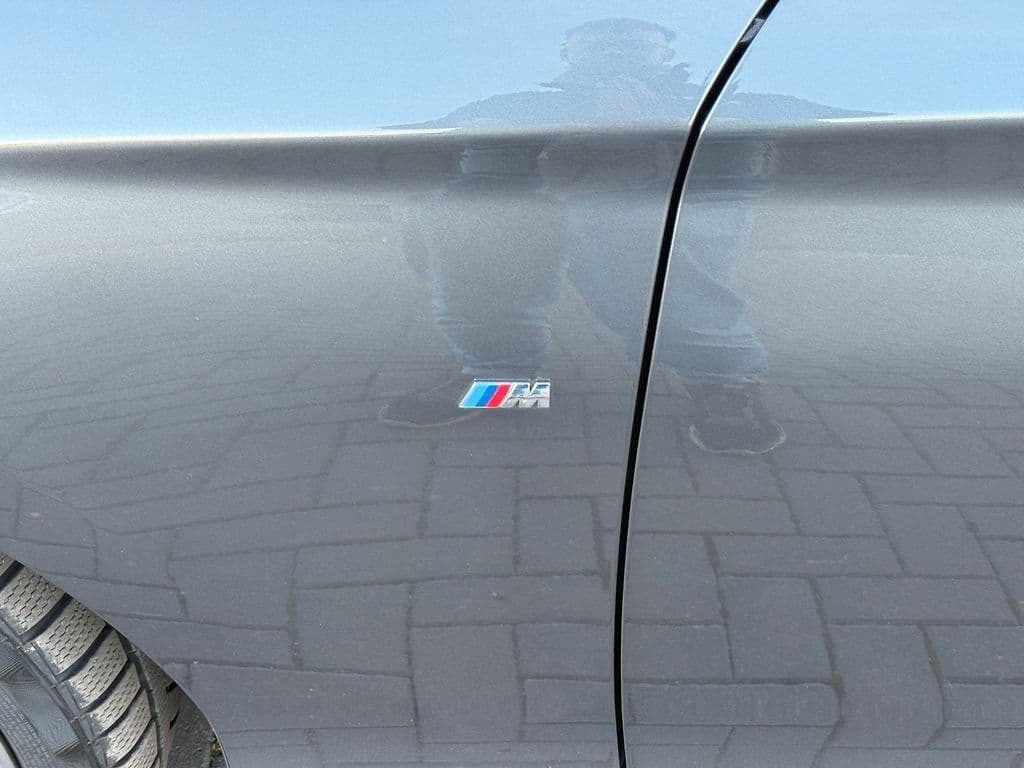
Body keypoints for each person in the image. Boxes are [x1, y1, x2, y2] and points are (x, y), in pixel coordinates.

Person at [379, 18, 784, 454]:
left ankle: (721, 380)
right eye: (597, 40)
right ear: (566, 51)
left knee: (659, 261)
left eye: (633, 41)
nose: (613, 49)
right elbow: (438, 130)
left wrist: (660, 122)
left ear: (667, 53)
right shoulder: (520, 100)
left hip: (672, 192)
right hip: (517, 196)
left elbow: (758, 149)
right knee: (472, 233)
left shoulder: (721, 98)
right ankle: (506, 383)